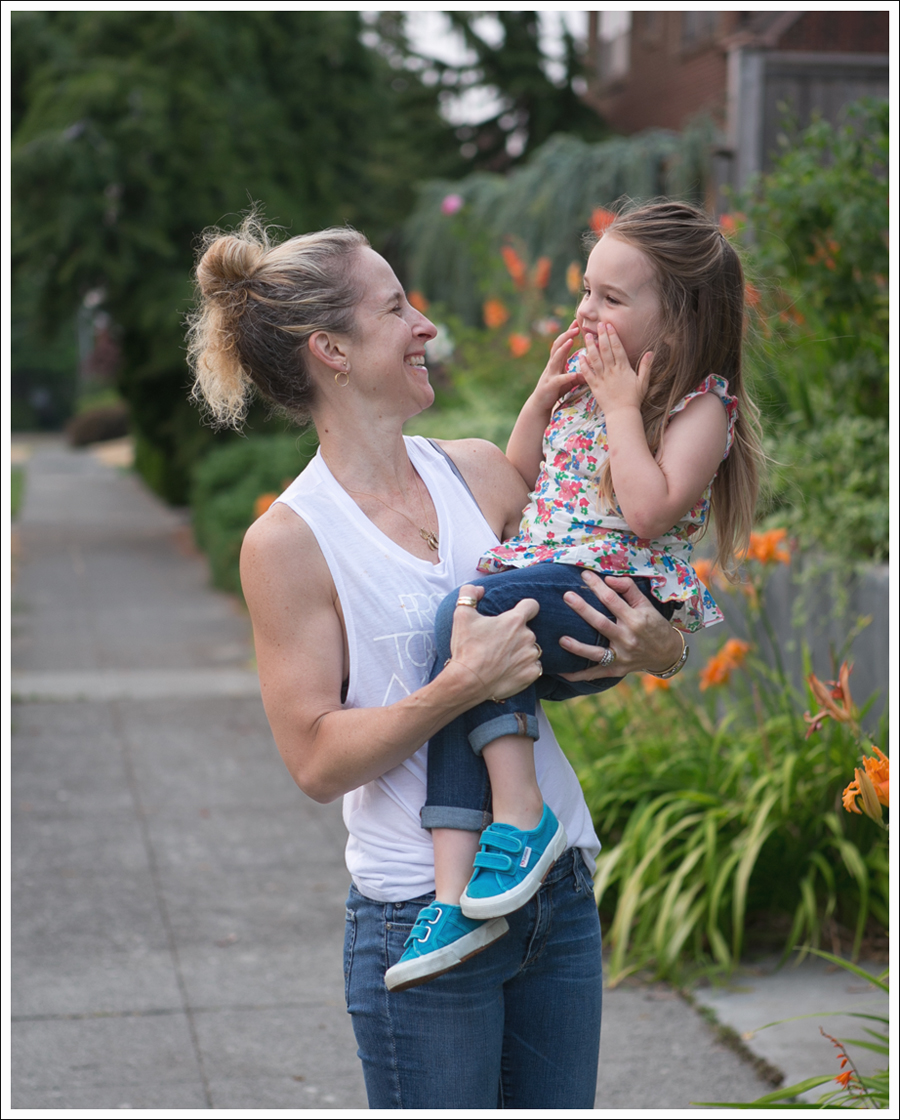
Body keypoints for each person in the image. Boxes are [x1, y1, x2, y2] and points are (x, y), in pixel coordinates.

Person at [186, 212, 686, 1109]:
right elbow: (315, 760)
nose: (426, 326)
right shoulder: (289, 542)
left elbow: (591, 599)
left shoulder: (481, 473)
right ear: (332, 351)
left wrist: (663, 649)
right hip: (418, 913)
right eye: (395, 309)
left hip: (556, 893)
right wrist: (460, 686)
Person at [386, 201, 764, 993]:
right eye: (586, 290)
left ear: (680, 316)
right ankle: (453, 900)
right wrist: (540, 400)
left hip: (612, 592)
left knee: (472, 620)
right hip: (554, 579)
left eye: (611, 298)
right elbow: (518, 485)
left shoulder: (701, 404)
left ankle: (524, 816)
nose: (587, 311)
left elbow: (648, 511)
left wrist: (623, 406)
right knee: (464, 669)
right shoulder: (588, 395)